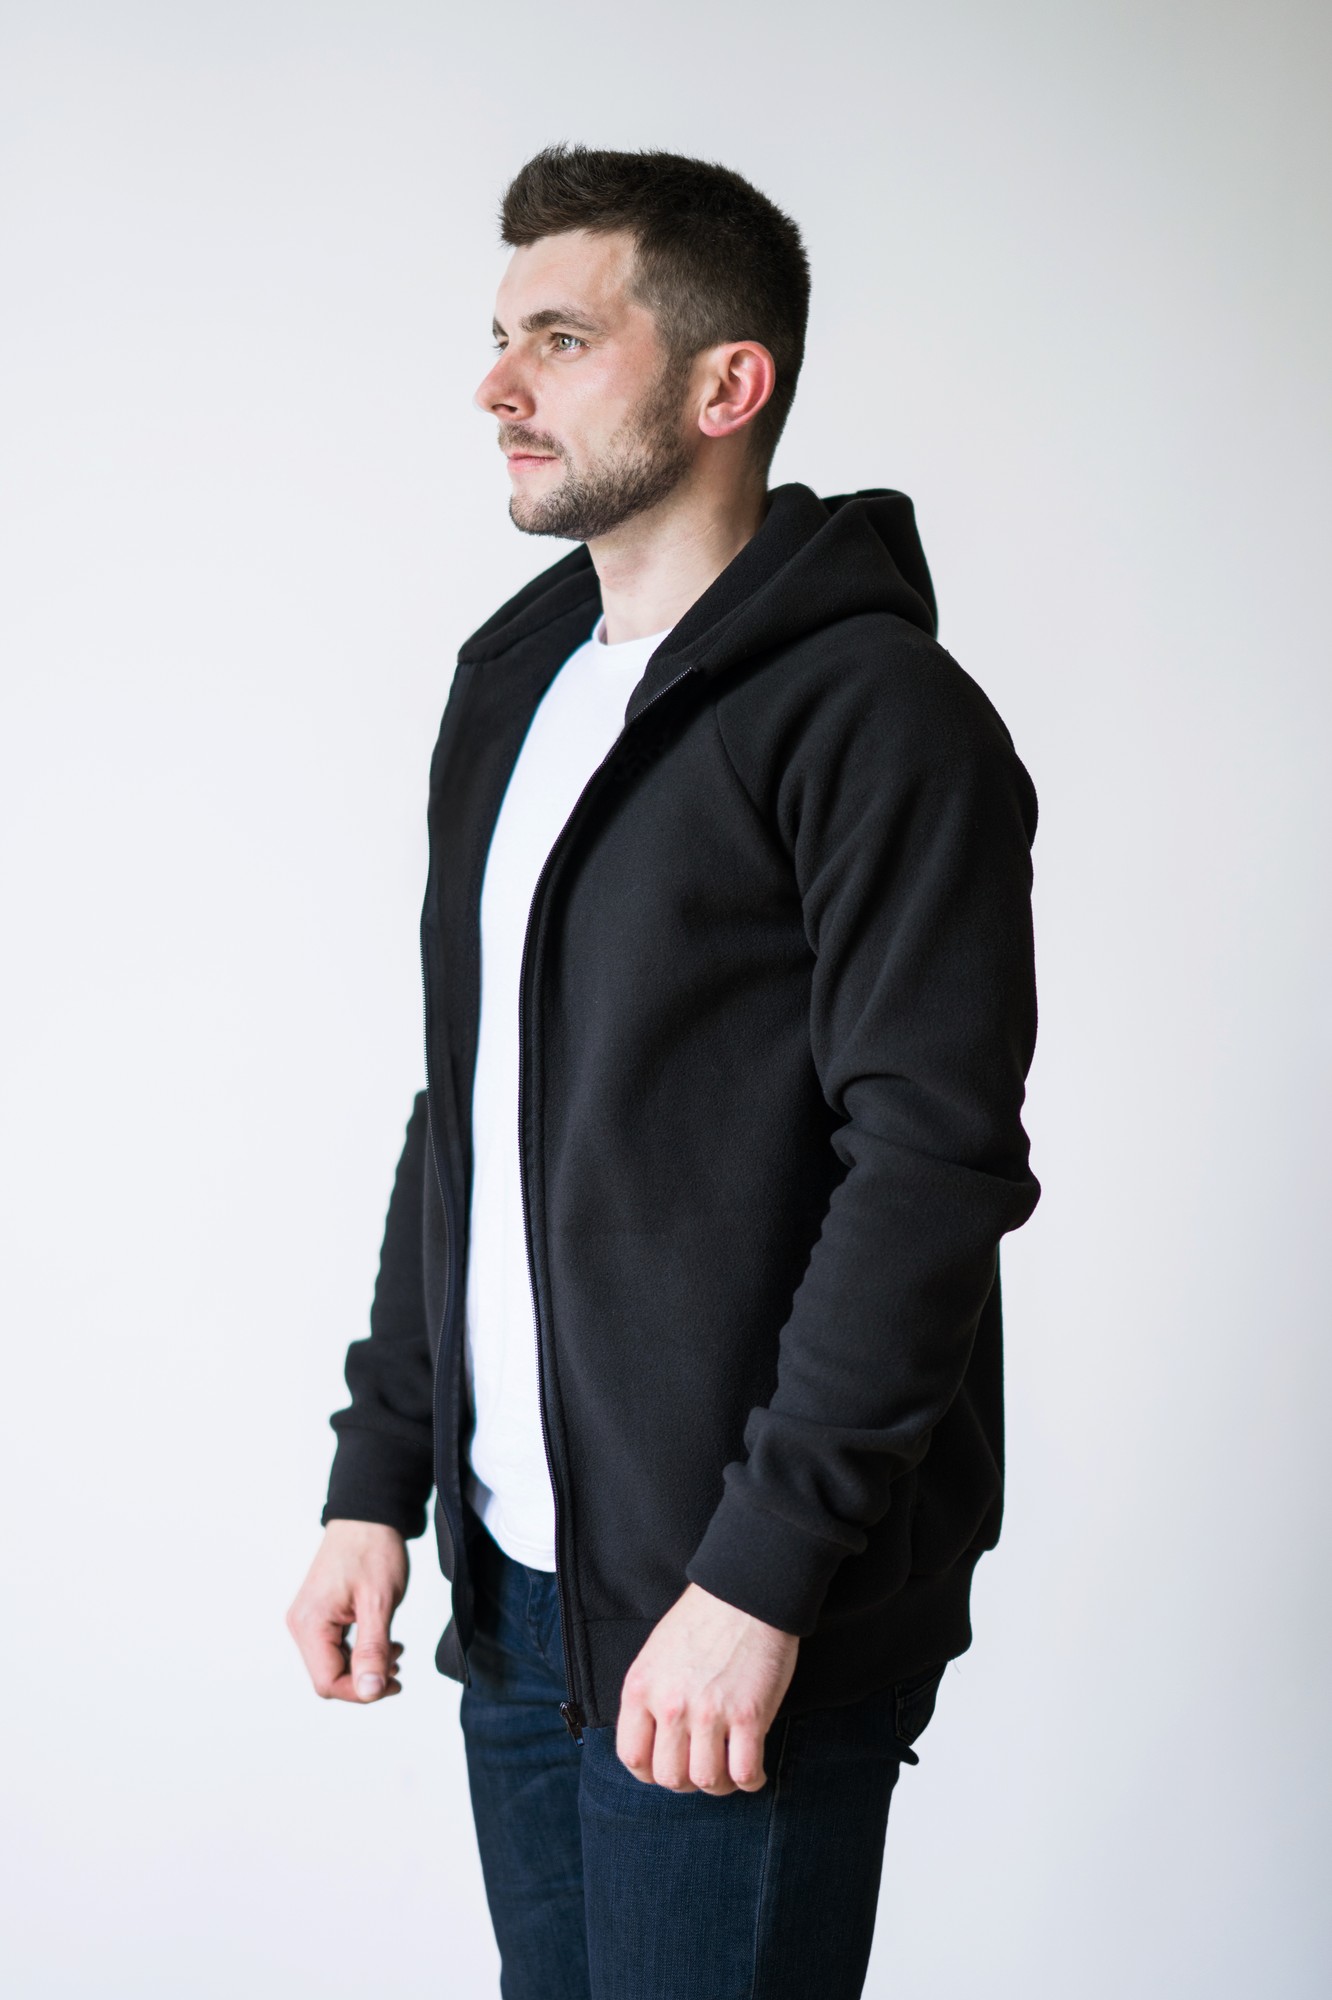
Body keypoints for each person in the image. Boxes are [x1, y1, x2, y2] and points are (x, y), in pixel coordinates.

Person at [286, 142, 1041, 1999]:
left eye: (560, 338)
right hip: (518, 1599)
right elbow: (468, 1103)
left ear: (727, 385)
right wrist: (380, 1473)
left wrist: (764, 1574)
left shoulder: (880, 718)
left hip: (731, 1610)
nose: (498, 385)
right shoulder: (515, 690)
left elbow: (928, 1168)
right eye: (497, 338)